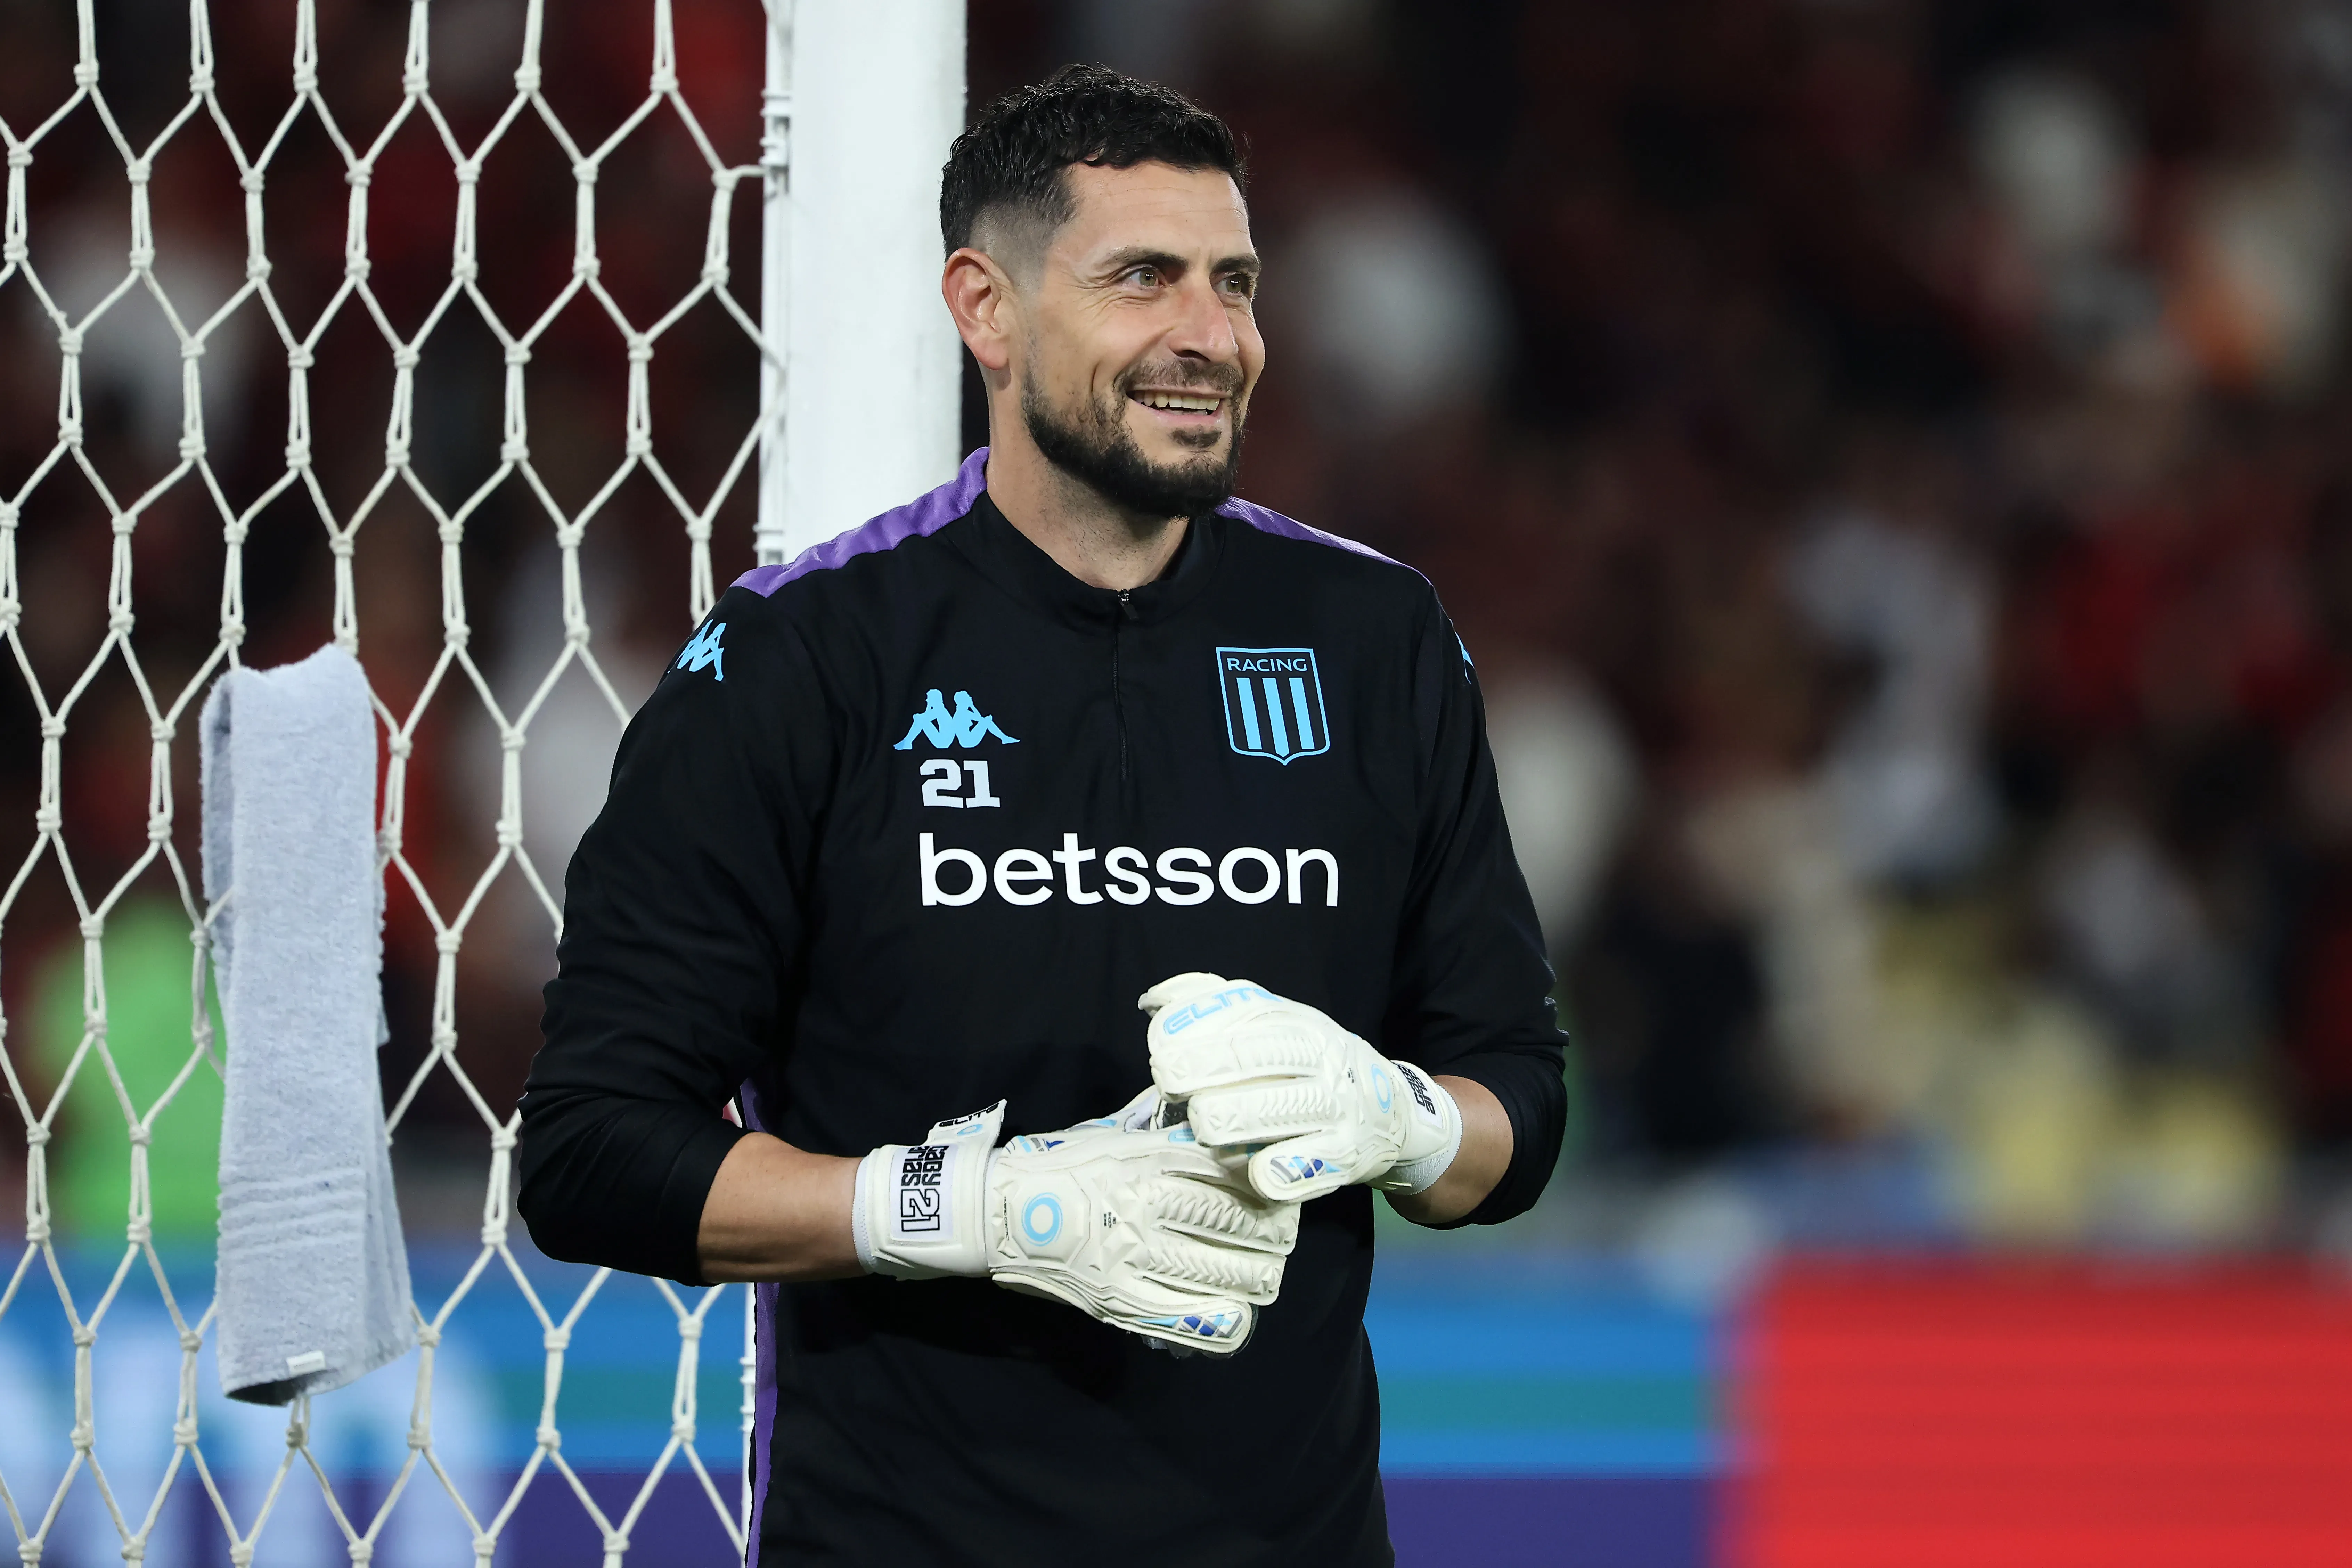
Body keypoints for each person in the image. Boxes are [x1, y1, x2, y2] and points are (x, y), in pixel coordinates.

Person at [517, 63, 1566, 1567]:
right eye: (1143, 279)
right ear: (986, 310)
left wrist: (1396, 1118)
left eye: (1235, 283)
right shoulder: (803, 658)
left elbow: (1517, 1106)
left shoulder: (1373, 638)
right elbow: (592, 1153)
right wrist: (977, 1211)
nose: (1212, 336)